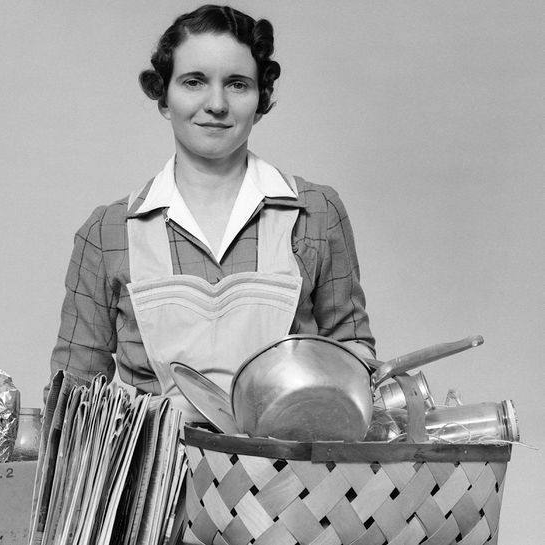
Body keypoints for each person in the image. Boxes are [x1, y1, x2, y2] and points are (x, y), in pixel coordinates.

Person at [49, 4, 374, 422]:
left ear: (260, 101)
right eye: (194, 81)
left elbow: (352, 356)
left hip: (288, 481)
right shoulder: (107, 232)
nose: (216, 103)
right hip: (154, 482)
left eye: (237, 84)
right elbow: (74, 399)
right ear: (164, 97)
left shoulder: (316, 213)